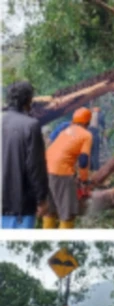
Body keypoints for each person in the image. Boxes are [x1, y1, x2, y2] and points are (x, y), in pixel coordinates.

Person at [2, 81, 49, 229]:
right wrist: (42, 199)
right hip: (19, 204)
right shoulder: (30, 125)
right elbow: (36, 166)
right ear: (28, 100)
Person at [44, 107, 93, 229]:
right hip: (61, 173)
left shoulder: (65, 130)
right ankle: (63, 246)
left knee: (50, 211)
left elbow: (55, 147)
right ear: (88, 122)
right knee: (67, 215)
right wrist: (84, 180)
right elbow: (83, 161)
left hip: (45, 169)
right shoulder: (86, 135)